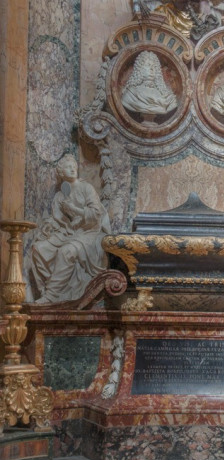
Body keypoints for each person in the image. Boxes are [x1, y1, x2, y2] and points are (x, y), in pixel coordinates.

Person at [31, 154, 110, 304]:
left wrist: (74, 209)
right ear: (61, 173)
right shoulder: (60, 196)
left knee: (66, 251)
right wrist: (49, 226)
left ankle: (52, 295)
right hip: (67, 233)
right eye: (68, 167)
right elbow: (57, 220)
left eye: (74, 166)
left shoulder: (86, 188)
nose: (73, 169)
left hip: (89, 232)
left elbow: (96, 214)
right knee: (38, 249)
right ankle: (57, 286)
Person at [121, 51, 177, 117]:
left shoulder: (167, 96)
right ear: (140, 69)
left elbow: (172, 104)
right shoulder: (131, 94)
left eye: (154, 67)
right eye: (148, 65)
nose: (151, 69)